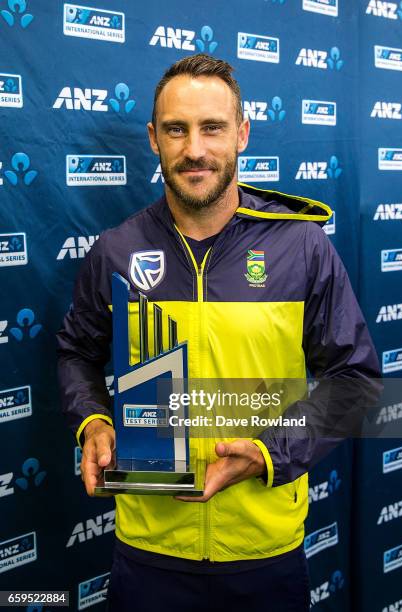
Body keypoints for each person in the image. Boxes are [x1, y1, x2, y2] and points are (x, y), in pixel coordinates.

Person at [57, 54, 380, 612]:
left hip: (265, 549)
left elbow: (357, 382)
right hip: (149, 548)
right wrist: (92, 421)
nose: (196, 150)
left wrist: (268, 453)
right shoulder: (116, 250)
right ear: (154, 139)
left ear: (242, 134)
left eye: (213, 127)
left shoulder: (301, 247)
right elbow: (76, 354)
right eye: (177, 130)